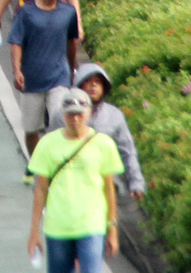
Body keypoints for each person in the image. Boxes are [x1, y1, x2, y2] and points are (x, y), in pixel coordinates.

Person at [27, 88, 123, 273]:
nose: (75, 119)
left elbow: (108, 188)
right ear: (62, 114)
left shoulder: (103, 144)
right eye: (70, 115)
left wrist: (112, 228)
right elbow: (40, 189)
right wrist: (34, 231)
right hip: (58, 226)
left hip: (91, 225)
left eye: (79, 114)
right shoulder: (47, 144)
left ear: (89, 113)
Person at [11, 0, 80, 178]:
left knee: (60, 121)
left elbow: (71, 42)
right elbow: (16, 42)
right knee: (31, 129)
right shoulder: (27, 12)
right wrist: (17, 70)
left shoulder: (69, 13)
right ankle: (36, 162)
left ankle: (54, 165)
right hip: (32, 79)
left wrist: (71, 69)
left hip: (58, 78)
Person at [47, 64, 146, 201]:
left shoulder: (114, 116)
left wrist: (136, 182)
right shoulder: (62, 115)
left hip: (104, 187)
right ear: (79, 86)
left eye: (98, 82)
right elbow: (49, 151)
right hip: (71, 186)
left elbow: (127, 151)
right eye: (88, 81)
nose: (93, 85)